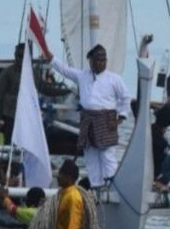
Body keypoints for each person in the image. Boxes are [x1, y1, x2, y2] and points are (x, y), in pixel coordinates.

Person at [45, 45, 131, 188]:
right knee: (91, 157)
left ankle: (112, 188)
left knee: (107, 156)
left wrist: (121, 118)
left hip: (106, 120)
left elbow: (125, 98)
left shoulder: (114, 79)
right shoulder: (82, 75)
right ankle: (96, 187)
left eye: (104, 60)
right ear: (90, 61)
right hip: (88, 120)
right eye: (98, 60)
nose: (101, 63)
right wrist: (50, 57)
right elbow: (64, 70)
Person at [0, 43, 70, 144]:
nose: (19, 59)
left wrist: (67, 91)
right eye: (18, 55)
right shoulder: (7, 72)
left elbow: (45, 89)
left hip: (26, 115)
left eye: (22, 56)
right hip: (10, 116)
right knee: (9, 144)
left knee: (27, 144)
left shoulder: (32, 73)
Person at [53, 159, 84, 229]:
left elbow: (74, 225)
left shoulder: (74, 197)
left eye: (61, 174)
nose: (58, 177)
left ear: (69, 177)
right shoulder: (64, 192)